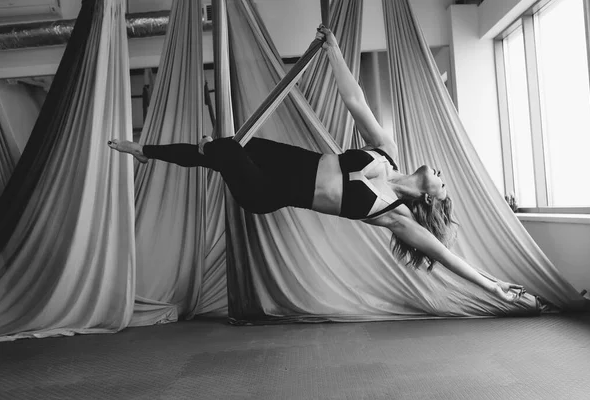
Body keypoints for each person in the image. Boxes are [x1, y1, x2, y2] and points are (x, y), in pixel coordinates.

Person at [108, 27, 525, 303]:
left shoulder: (398, 218)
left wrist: (495, 287)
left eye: (444, 185)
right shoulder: (386, 151)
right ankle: (151, 152)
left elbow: (449, 258)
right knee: (221, 149)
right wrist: (335, 53)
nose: (441, 175)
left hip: (268, 194)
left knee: (225, 153)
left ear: (432, 202)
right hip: (283, 158)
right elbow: (355, 101)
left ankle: (165, 152)